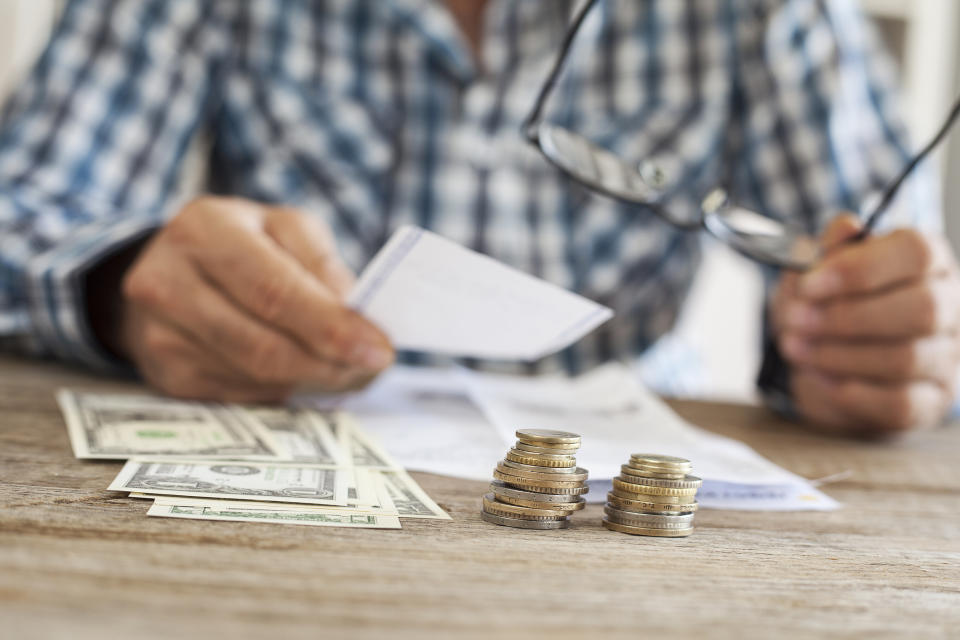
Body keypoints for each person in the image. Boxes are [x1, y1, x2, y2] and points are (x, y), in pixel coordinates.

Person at [0, 0, 957, 437]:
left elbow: (910, 300)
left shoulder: (769, 11)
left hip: (639, 504)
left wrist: (866, 346)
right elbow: (22, 212)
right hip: (291, 449)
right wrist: (122, 285)